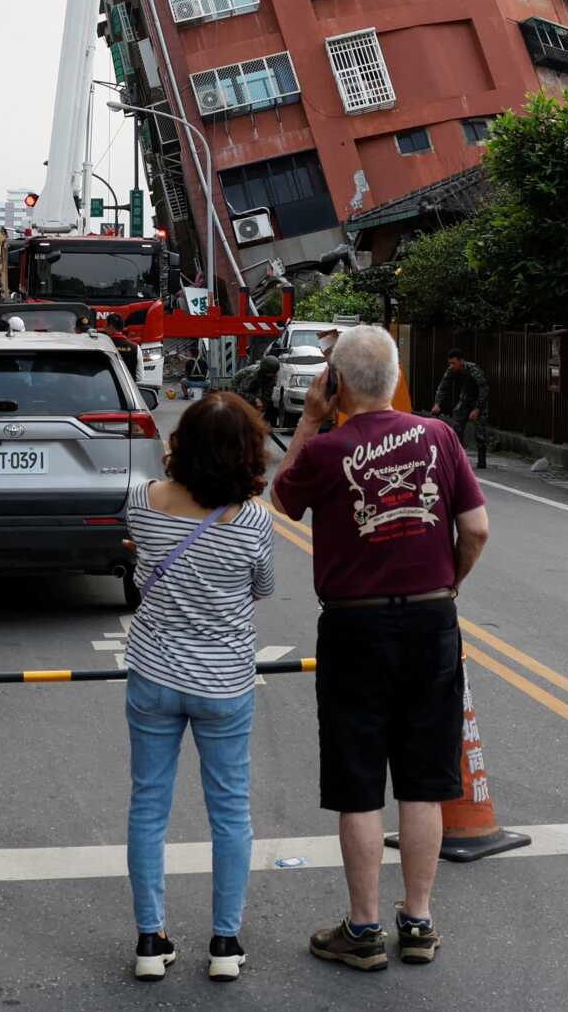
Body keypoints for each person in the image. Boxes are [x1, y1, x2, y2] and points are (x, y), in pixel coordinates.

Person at [271, 324, 487, 972]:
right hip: (431, 621)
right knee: (423, 780)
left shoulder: (327, 448)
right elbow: (475, 526)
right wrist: (447, 578)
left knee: (359, 782)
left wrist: (309, 417)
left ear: (334, 382)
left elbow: (279, 500)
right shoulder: (441, 435)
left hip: (354, 626)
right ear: (396, 377)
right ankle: (417, 920)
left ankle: (363, 932)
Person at [122, 393, 276, 983]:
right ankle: (225, 944)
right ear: (248, 453)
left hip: (153, 675)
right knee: (230, 811)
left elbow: (140, 554)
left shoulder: (142, 500)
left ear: (179, 445)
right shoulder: (254, 520)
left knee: (148, 806)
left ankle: (149, 939)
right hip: (225, 682)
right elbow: (262, 586)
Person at [429, 349, 491, 470]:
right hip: (465, 400)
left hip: (479, 401)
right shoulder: (451, 370)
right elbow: (443, 386)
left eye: (454, 363)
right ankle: (459, 459)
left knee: (480, 433)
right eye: (450, 363)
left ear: (461, 361)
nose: (451, 366)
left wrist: (477, 409)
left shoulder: (473, 370)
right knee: (456, 428)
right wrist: (437, 403)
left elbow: (484, 389)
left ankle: (482, 461)